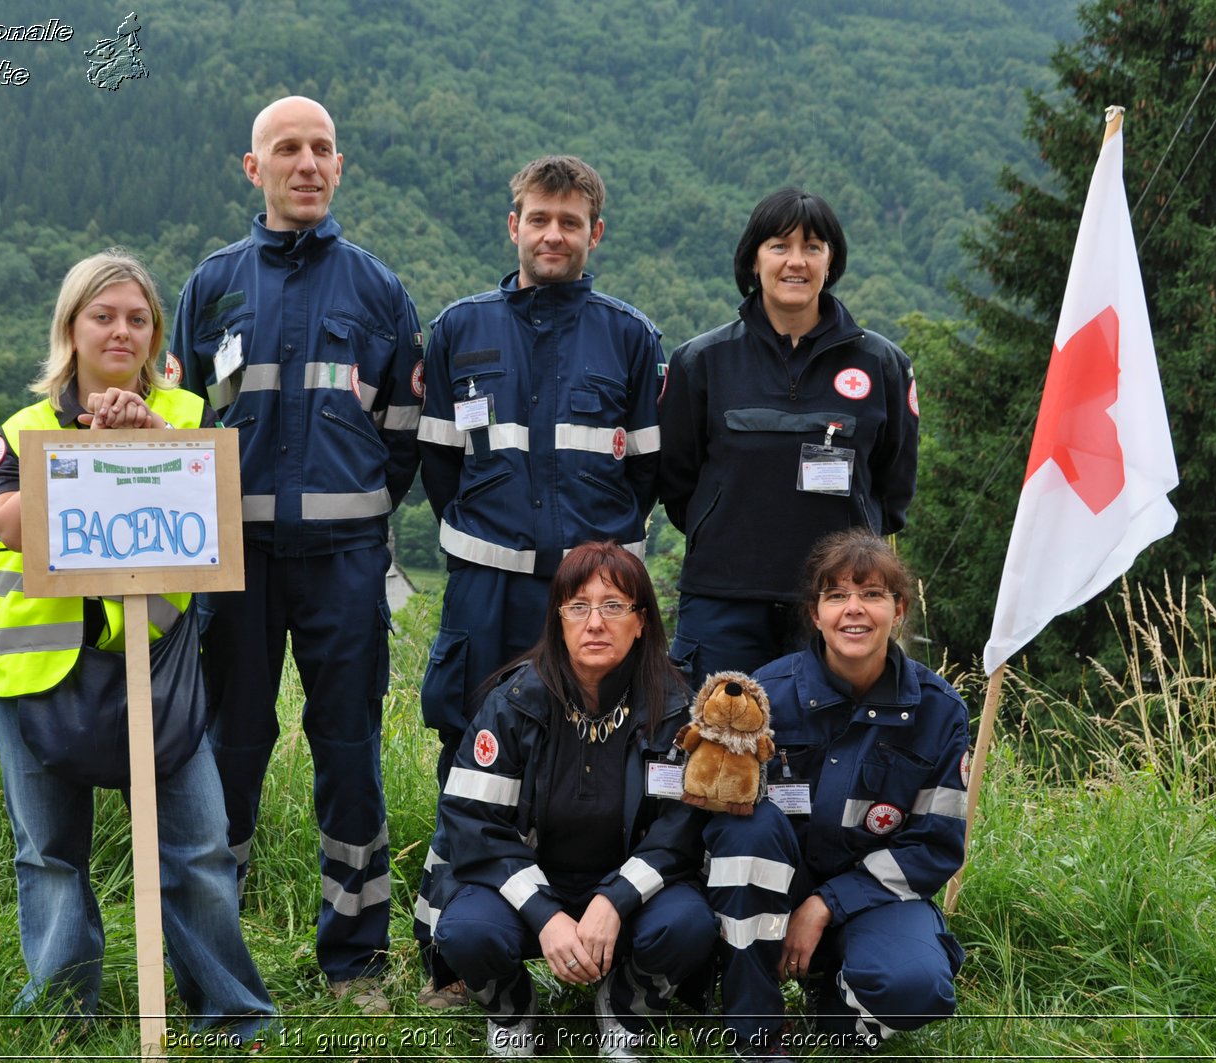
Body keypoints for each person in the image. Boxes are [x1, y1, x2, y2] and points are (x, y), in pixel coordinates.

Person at [0, 250, 276, 1043]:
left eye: (136, 318)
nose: (120, 330)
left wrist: (147, 442)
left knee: (201, 845)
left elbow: (218, 521)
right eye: (102, 315)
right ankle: (64, 1018)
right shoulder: (26, 425)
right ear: (70, 328)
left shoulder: (187, 416)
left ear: (155, 336)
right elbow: (3, 520)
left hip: (159, 679)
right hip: (33, 674)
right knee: (49, 856)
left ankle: (233, 1014)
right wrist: (94, 452)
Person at [169, 96, 422, 1009]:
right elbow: (181, 418)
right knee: (228, 754)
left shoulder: (379, 289)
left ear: (339, 166)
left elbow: (403, 434)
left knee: (348, 753)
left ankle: (354, 962)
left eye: (321, 149)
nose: (306, 164)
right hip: (231, 567)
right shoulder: (213, 286)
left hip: (346, 565)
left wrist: (348, 513)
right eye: (287, 149)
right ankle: (212, 957)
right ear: (254, 168)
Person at [413, 157, 665, 1003]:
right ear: (511, 225)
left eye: (569, 220)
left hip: (589, 595)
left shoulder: (631, 337)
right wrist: (500, 541)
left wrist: (586, 571)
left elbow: (648, 476)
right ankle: (456, 951)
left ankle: (606, 939)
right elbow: (440, 467)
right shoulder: (457, 330)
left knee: (605, 753)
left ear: (595, 233)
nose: (551, 233)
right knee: (469, 753)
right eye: (537, 218)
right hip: (488, 589)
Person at [427, 541, 715, 1059]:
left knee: (688, 925)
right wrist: (544, 914)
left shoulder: (676, 712)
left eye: (613, 606)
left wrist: (615, 899)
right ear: (558, 619)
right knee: (468, 932)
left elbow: (682, 832)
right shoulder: (513, 703)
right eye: (577, 606)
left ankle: (627, 1006)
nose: (595, 622)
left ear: (641, 621)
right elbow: (472, 822)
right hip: (528, 886)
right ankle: (513, 1009)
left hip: (633, 894)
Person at [704, 530, 967, 1059]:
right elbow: (720, 821)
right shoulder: (763, 696)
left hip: (872, 900)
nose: (854, 610)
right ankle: (755, 1031)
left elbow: (934, 847)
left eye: (871, 594)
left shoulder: (939, 711)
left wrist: (827, 903)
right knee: (745, 828)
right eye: (836, 595)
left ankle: (838, 1008)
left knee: (916, 988)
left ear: (899, 609)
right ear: (815, 613)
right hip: (771, 891)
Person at [658, 188, 919, 684]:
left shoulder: (882, 365)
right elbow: (677, 482)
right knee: (719, 746)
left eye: (812, 247)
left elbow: (893, 482)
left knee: (833, 749)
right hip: (723, 603)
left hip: (839, 603)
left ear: (830, 260)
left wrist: (850, 574)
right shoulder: (702, 361)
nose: (795, 261)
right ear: (753, 260)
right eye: (779, 246)